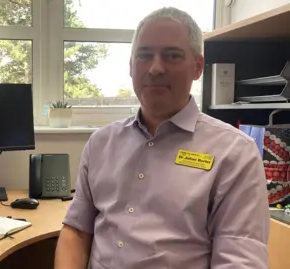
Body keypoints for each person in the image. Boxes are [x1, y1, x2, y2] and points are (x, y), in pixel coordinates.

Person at [54, 6, 270, 269]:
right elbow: (76, 231)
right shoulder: (101, 143)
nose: (155, 68)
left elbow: (239, 261)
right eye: (144, 55)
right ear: (131, 66)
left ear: (198, 67)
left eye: (172, 56)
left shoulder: (235, 153)